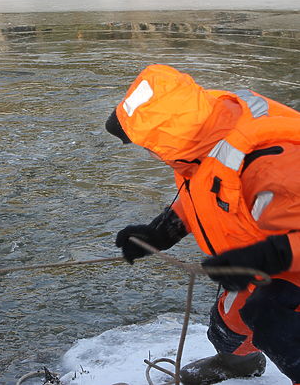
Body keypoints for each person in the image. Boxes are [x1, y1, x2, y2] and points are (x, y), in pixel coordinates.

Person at [105, 64, 300, 385]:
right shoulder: (207, 132)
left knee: (275, 325)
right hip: (272, 254)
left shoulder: (269, 166)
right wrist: (161, 232)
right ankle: (238, 365)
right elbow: (208, 189)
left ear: (163, 140)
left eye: (147, 146)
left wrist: (258, 258)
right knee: (228, 329)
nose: (149, 153)